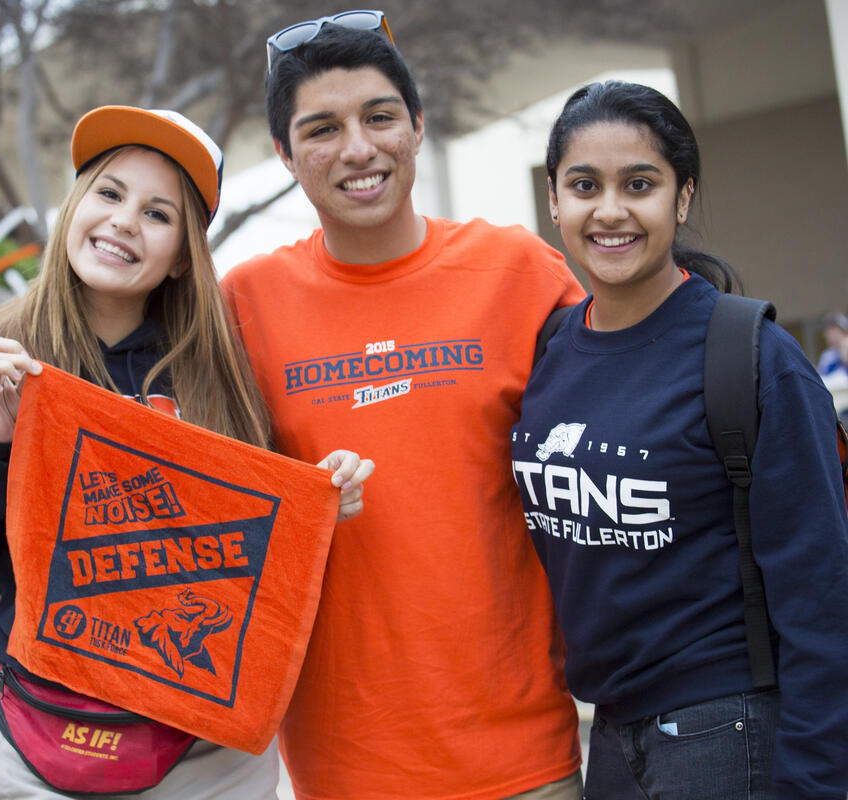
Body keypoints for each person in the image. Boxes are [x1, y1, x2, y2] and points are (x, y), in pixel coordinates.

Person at [0, 105, 373, 800]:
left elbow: (262, 553)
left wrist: (325, 497)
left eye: (158, 213)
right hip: (43, 744)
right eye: (108, 193)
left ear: (181, 257)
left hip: (212, 762)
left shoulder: (224, 372)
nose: (123, 221)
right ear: (75, 205)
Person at [221, 12, 586, 800]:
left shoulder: (518, 272)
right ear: (285, 156)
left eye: (380, 117)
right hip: (344, 767)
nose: (358, 148)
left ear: (417, 128)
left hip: (524, 758)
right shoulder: (244, 303)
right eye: (322, 128)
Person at [510, 80, 848, 799]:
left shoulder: (752, 356)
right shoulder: (550, 351)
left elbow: (822, 591)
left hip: (728, 732)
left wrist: (817, 779)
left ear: (682, 198)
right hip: (610, 736)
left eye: (640, 184)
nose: (610, 210)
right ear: (554, 200)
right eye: (584, 185)